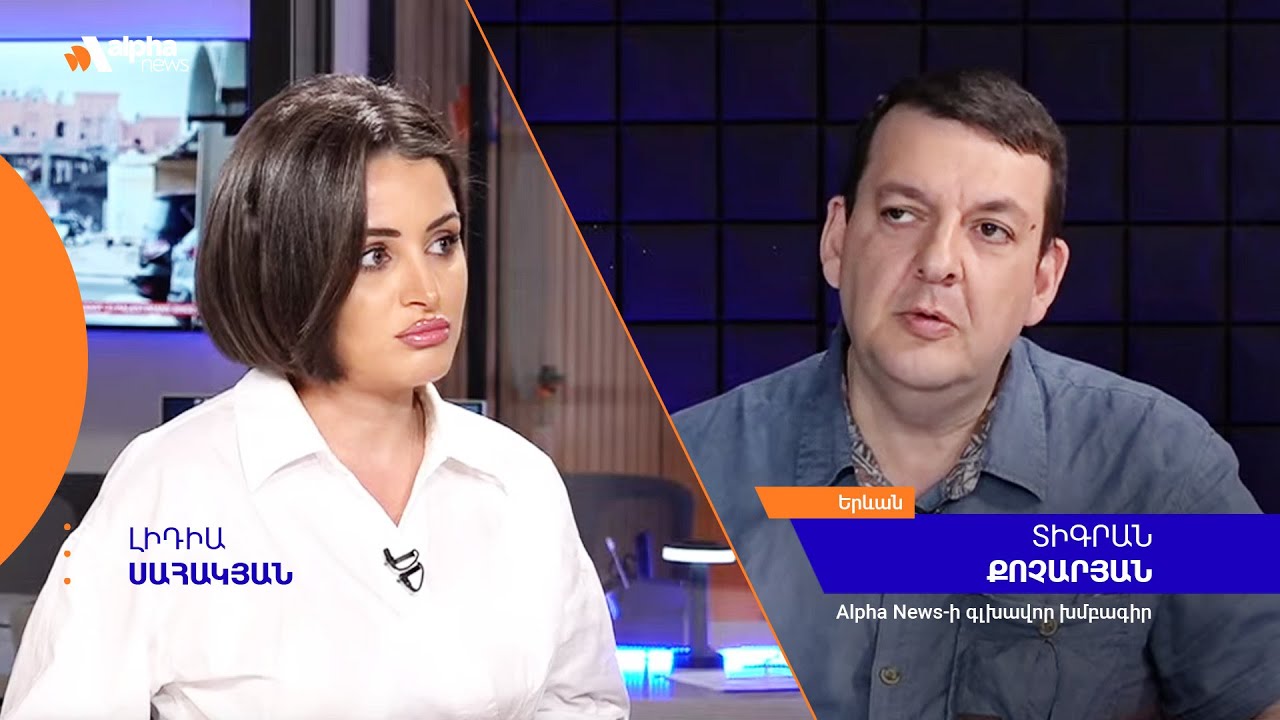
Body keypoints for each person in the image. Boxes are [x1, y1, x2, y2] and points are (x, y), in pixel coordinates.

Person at [2, 75, 628, 720]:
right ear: (288, 269)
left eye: (443, 243)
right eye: (374, 256)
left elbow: (582, 704)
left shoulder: (519, 479)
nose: (427, 289)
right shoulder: (171, 483)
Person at [673, 69, 1280, 720]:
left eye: (990, 230)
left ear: (1043, 281)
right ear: (837, 240)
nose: (938, 262)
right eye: (901, 214)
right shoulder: (692, 461)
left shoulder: (1168, 467)